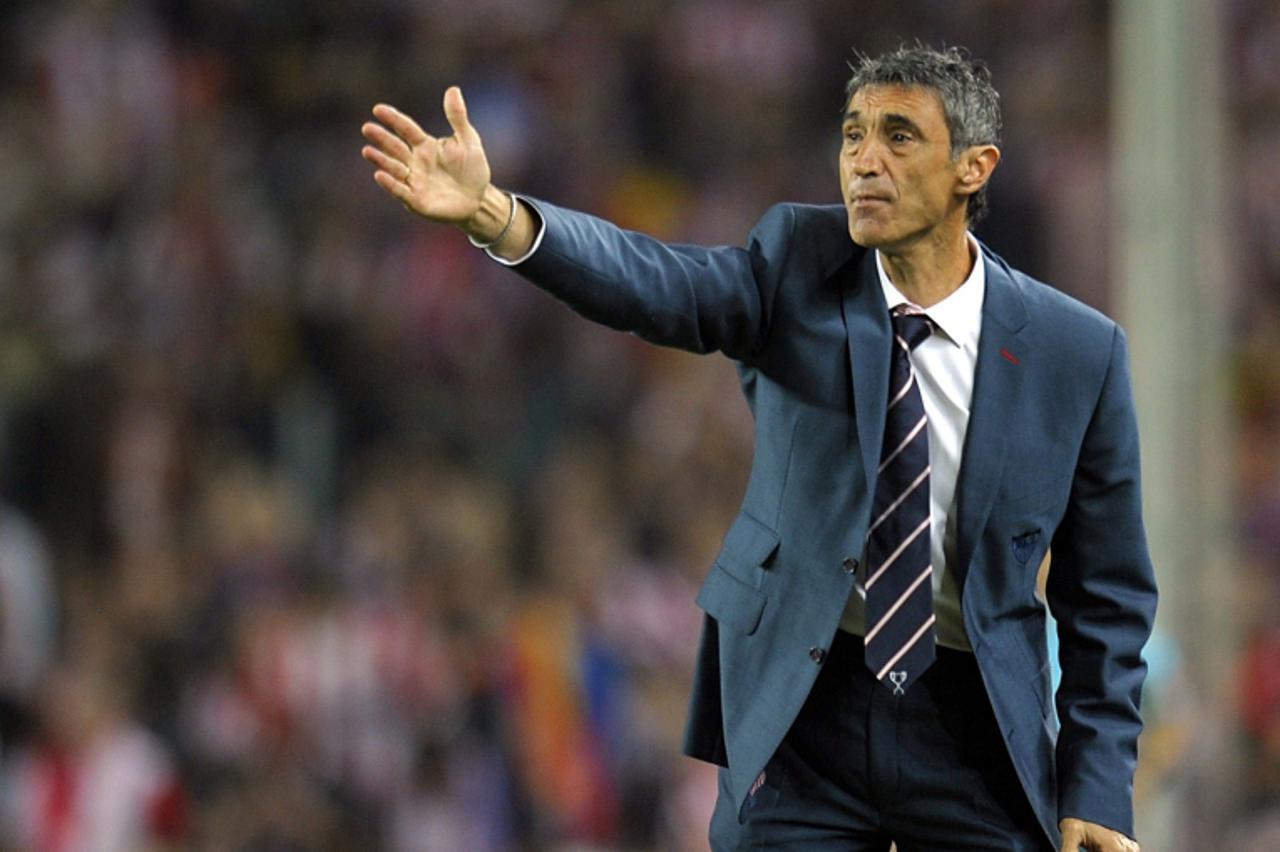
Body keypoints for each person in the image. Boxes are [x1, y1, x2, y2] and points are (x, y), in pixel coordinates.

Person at [360, 45, 1157, 852]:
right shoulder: (798, 265)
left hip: (972, 721)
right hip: (807, 703)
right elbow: (657, 281)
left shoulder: (1077, 354)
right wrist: (500, 217)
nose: (864, 161)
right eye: (852, 135)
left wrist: (1099, 785)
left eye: (899, 137)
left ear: (973, 169)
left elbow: (1107, 596)